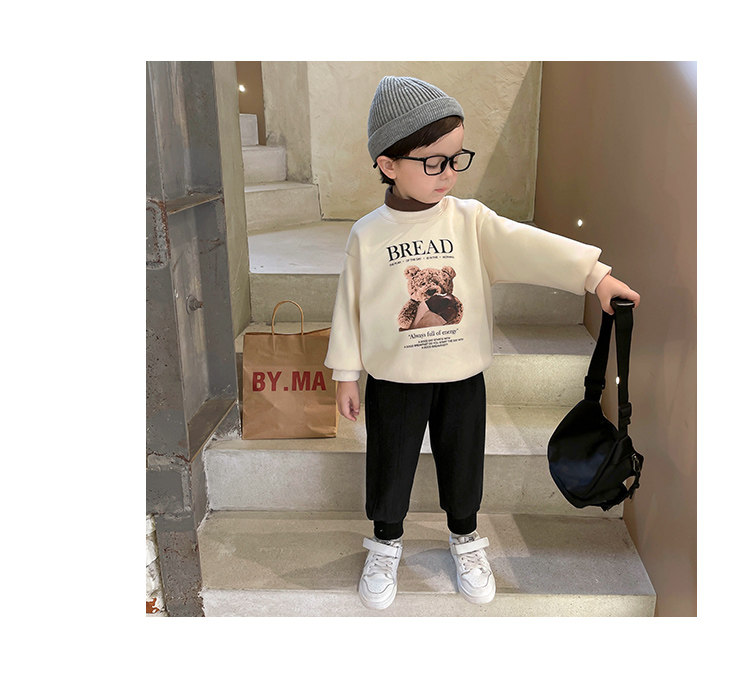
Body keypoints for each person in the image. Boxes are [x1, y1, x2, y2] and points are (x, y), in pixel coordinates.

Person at [324, 76, 641, 611]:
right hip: (395, 379)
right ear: (388, 164)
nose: (449, 174)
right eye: (434, 162)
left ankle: (465, 538)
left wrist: (597, 278)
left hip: (462, 375)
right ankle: (385, 543)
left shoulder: (471, 221)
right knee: (390, 463)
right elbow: (350, 304)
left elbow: (531, 246)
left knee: (464, 461)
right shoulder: (368, 233)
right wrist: (346, 374)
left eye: (456, 159)